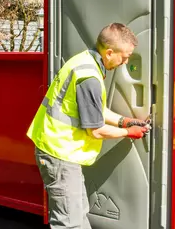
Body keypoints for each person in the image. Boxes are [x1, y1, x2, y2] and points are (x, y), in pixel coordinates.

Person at [26, 23, 150, 229]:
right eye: (125, 56)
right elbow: (96, 129)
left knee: (79, 215)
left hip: (60, 151)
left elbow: (95, 110)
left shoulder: (85, 61)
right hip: (59, 154)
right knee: (69, 222)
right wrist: (129, 132)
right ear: (109, 53)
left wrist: (124, 121)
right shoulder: (89, 77)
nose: (126, 62)